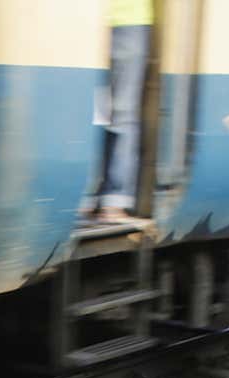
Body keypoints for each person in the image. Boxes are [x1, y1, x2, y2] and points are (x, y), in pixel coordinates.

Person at [89, 0, 153, 222]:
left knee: (111, 111)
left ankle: (105, 197)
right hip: (117, 20)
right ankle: (105, 199)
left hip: (120, 21)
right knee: (112, 113)